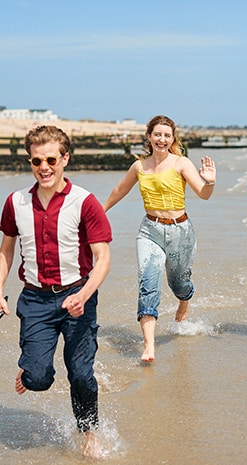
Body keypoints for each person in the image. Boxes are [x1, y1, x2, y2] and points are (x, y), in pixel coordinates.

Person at [0, 125, 112, 458]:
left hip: (77, 294)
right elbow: (5, 250)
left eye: (51, 159)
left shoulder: (84, 202)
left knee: (80, 374)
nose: (44, 167)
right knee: (37, 380)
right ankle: (31, 368)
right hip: (34, 299)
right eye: (36, 161)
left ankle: (88, 431)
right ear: (30, 162)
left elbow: (103, 257)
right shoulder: (16, 202)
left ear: (65, 158)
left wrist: (84, 294)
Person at [103, 115, 216, 362]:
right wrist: (100, 212)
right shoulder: (139, 167)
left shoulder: (181, 163)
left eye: (167, 135)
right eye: (157, 134)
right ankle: (149, 346)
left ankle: (184, 300)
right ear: (149, 137)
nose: (161, 139)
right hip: (149, 231)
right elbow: (119, 190)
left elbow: (204, 194)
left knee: (179, 284)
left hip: (180, 232)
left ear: (172, 138)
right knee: (148, 281)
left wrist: (210, 181)